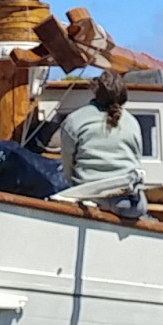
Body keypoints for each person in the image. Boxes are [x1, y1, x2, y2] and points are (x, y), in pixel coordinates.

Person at [57, 71, 147, 221]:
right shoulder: (132, 123)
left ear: (95, 91)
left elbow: (68, 166)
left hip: (88, 197)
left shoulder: (74, 121)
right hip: (127, 203)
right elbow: (136, 160)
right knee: (141, 208)